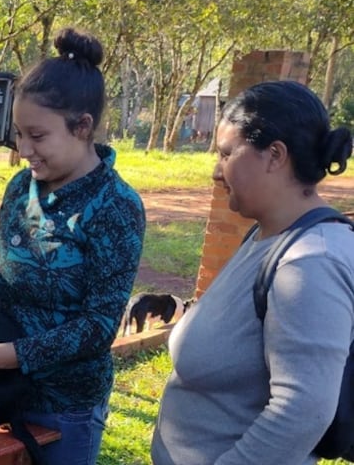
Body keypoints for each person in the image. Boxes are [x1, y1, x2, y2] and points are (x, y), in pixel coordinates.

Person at [0, 27, 146, 465]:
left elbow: (98, 325)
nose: (23, 150)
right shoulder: (22, 186)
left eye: (37, 137)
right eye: (18, 134)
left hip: (59, 406)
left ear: (82, 127)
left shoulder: (115, 207)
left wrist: (6, 356)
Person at [151, 80, 354, 465]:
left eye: (226, 153)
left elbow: (301, 411)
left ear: (275, 156)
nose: (216, 171)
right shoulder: (265, 235)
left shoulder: (311, 262)